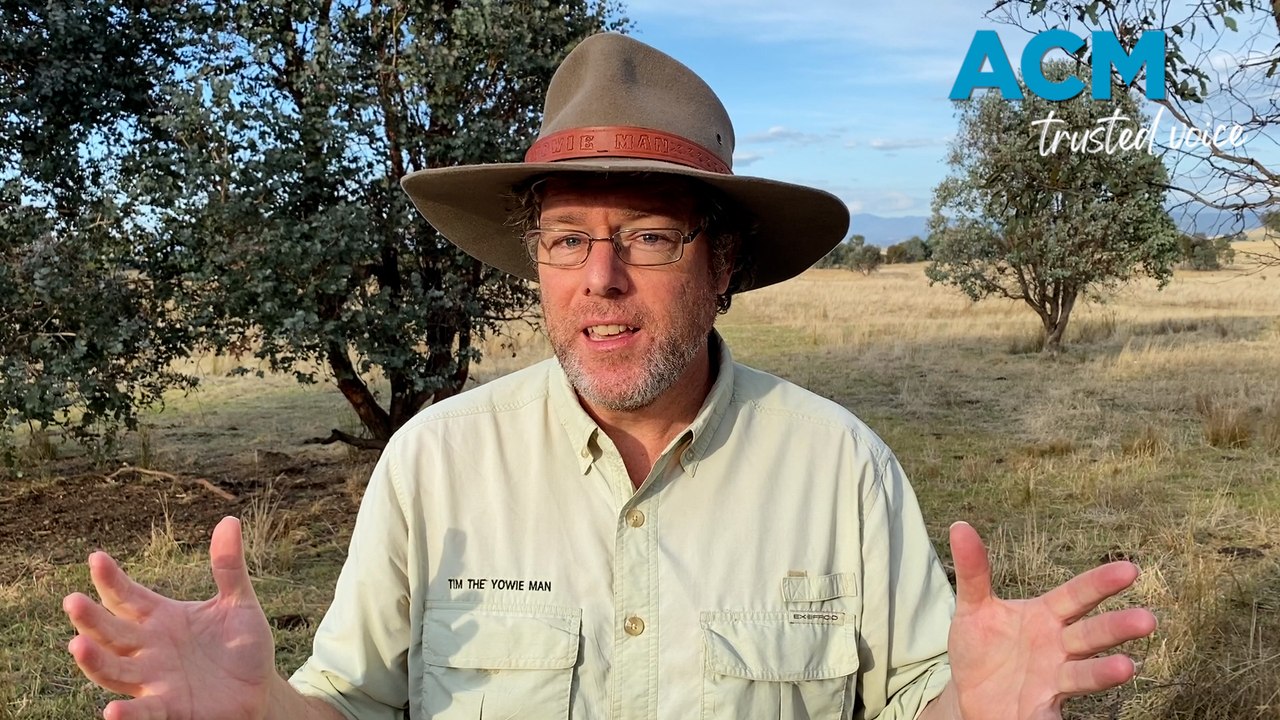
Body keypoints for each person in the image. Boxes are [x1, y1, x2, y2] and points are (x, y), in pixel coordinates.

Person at [62, 33, 1157, 720]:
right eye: (565, 240)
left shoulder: (839, 468)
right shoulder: (435, 464)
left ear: (721, 263)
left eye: (648, 237)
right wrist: (261, 710)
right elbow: (350, 708)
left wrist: (966, 708)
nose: (601, 282)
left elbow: (922, 697)